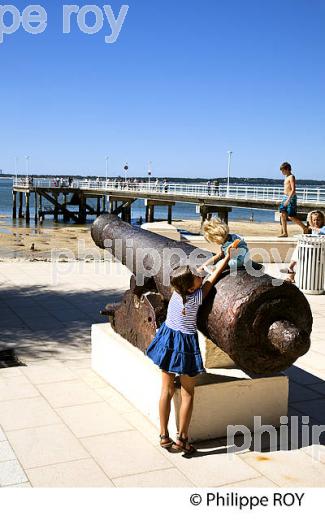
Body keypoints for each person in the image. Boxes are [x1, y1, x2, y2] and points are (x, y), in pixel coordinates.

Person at [145, 248, 234, 455]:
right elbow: (212, 276)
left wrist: (218, 256)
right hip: (184, 344)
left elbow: (202, 269)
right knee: (187, 393)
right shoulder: (197, 297)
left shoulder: (177, 291)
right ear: (192, 288)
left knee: (166, 391)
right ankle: (182, 439)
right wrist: (227, 258)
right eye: (195, 278)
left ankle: (163, 435)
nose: (199, 276)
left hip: (168, 338)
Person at [280, 210, 325, 282]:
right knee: (300, 248)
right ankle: (290, 271)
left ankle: (290, 271)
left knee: (301, 251)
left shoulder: (323, 228)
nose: (316, 222)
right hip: (312, 250)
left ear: (322, 220)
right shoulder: (314, 230)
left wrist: (315, 228)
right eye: (314, 220)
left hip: (319, 253)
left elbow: (323, 232)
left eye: (318, 220)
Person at [278, 162, 308, 237]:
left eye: (283, 170)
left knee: (291, 216)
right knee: (282, 215)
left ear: (287, 169)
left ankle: (305, 228)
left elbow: (293, 189)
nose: (282, 172)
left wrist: (288, 199)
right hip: (285, 197)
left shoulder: (291, 177)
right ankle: (285, 233)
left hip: (290, 198)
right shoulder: (286, 177)